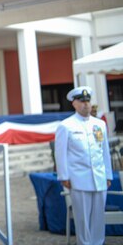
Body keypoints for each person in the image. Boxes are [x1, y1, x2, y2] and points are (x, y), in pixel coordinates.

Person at [55, 86, 113, 245]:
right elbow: (60, 154)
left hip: (99, 178)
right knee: (83, 219)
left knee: (98, 218)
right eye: (81, 101)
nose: (85, 104)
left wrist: (108, 175)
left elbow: (104, 151)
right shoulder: (66, 126)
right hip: (78, 179)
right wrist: (64, 176)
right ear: (73, 103)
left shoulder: (99, 124)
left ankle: (98, 242)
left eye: (87, 101)